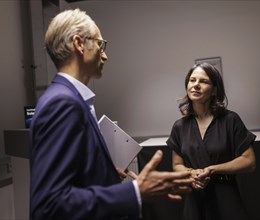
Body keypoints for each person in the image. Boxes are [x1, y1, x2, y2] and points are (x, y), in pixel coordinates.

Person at [29, 8, 192, 220]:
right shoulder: (63, 103)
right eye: (100, 44)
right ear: (78, 44)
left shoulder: (70, 100)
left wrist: (102, 172)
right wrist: (136, 192)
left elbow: (71, 180)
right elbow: (49, 205)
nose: (105, 55)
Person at [166, 62, 256, 220]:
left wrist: (212, 169)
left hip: (226, 196)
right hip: (195, 198)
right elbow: (177, 165)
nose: (196, 85)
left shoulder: (230, 120)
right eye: (192, 80)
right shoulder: (179, 126)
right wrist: (192, 173)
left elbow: (249, 162)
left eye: (204, 81)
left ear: (215, 89)